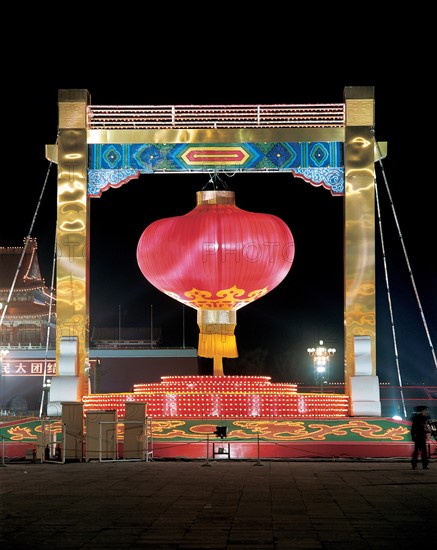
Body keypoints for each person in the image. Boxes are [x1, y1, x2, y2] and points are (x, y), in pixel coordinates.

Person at [411, 406, 431, 470]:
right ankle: (424, 465)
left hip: (419, 436)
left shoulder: (419, 418)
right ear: (422, 411)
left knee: (417, 451)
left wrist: (413, 436)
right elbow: (414, 428)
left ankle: (415, 464)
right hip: (419, 436)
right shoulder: (419, 418)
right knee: (422, 451)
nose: (426, 412)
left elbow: (413, 428)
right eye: (425, 411)